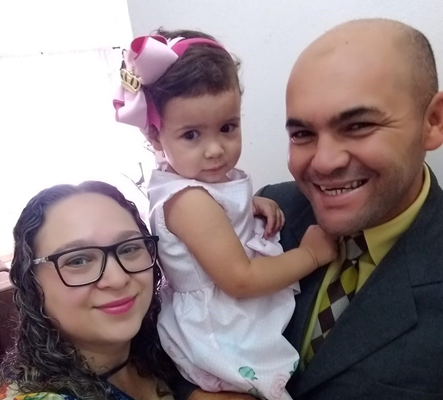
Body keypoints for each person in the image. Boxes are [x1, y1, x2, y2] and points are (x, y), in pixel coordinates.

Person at [179, 18, 443, 400]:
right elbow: (192, 327)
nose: (324, 161)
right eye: (302, 134)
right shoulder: (267, 215)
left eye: (358, 126)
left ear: (432, 121)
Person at [113, 29, 337, 399]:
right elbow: (240, 279)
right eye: (191, 135)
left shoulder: (199, 183)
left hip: (229, 319)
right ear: (155, 136)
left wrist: (249, 208)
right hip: (221, 332)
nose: (215, 149)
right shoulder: (189, 201)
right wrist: (310, 255)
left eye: (227, 127)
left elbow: (220, 214)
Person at [0, 181, 179, 400]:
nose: (118, 279)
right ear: (32, 283)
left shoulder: (174, 342)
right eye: (78, 260)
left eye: (130, 248)